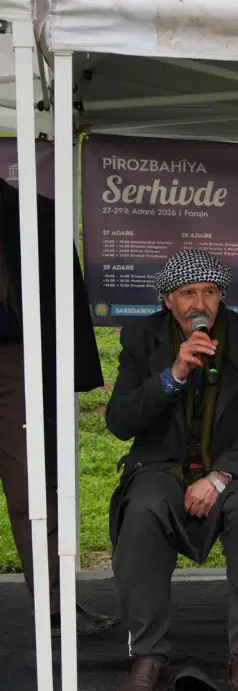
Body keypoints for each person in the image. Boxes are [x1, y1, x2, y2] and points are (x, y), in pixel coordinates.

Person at [104, 249, 238, 691]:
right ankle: (149, 657)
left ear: (221, 296)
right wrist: (174, 373)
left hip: (236, 467)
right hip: (163, 466)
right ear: (168, 300)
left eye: (209, 292)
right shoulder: (141, 338)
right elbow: (120, 421)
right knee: (143, 513)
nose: (200, 304)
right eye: (188, 294)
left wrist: (222, 475)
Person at [0, 179, 117, 636]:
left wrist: (76, 370)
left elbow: (64, 298)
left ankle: (54, 606)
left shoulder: (34, 212)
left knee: (32, 486)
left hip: (17, 358)